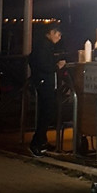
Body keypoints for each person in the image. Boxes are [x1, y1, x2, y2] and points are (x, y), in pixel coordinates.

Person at [27, 23, 66, 157]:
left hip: (43, 82)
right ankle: (36, 143)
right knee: (46, 113)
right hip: (44, 82)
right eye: (58, 35)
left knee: (46, 112)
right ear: (51, 32)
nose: (59, 38)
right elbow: (43, 64)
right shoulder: (44, 46)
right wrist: (57, 66)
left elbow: (34, 60)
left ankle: (42, 141)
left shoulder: (43, 45)